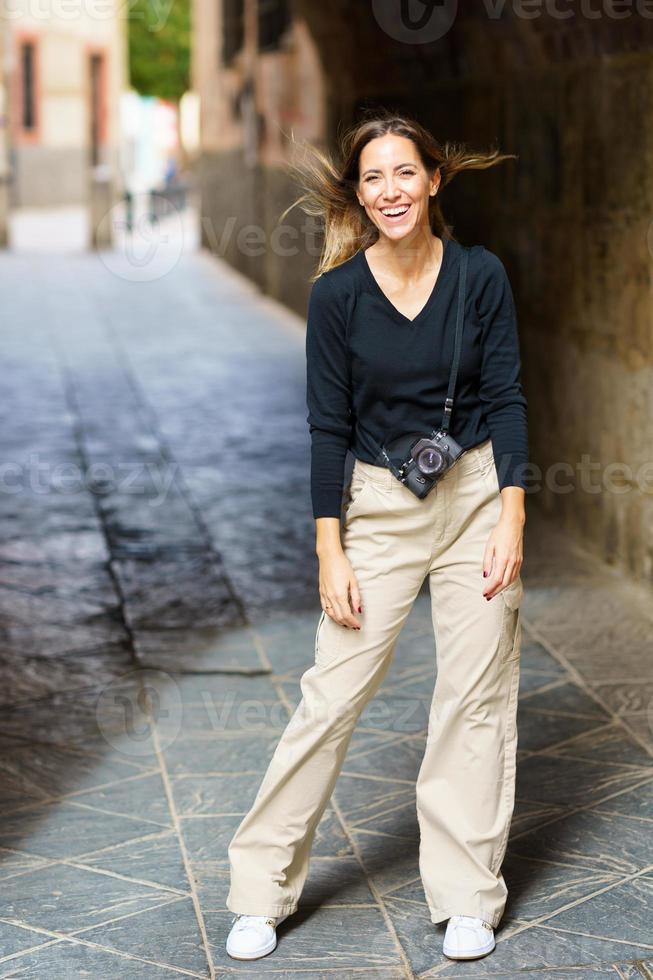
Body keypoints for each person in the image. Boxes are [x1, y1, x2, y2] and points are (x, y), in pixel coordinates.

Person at [225, 110, 528, 963]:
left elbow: (505, 396)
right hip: (377, 509)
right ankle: (260, 889)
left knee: (473, 699)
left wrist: (511, 513)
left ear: (433, 180)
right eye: (372, 178)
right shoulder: (336, 297)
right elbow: (327, 427)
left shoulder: (479, 277)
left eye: (404, 173)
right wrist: (330, 548)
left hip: (472, 495)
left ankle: (467, 894)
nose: (389, 190)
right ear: (355, 195)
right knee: (330, 699)